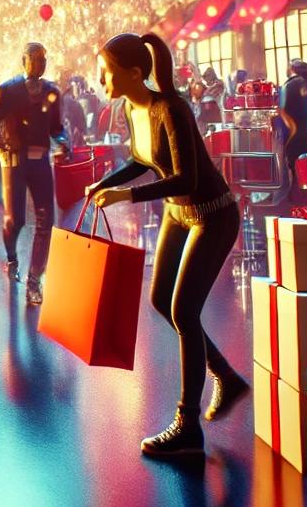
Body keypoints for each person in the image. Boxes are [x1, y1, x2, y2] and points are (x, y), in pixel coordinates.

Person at [89, 33, 245, 459]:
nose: (100, 78)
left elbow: (187, 179)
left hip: (212, 213)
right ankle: (226, 378)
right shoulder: (129, 107)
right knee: (161, 299)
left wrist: (127, 197)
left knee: (183, 311)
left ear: (135, 73)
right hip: (179, 215)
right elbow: (141, 159)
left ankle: (187, 425)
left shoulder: (171, 107)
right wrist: (107, 183)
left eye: (107, 71)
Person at [0, 42, 69, 306]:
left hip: (41, 161)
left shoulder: (52, 91)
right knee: (15, 220)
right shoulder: (7, 89)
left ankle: (34, 280)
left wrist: (65, 142)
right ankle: (12, 258)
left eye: (44, 59)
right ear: (24, 61)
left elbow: (56, 127)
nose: (40, 64)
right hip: (14, 162)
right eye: (35, 59)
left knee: (46, 221)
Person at [276, 60, 307, 203]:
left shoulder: (289, 85)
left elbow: (283, 110)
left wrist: (290, 129)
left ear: (291, 69)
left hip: (294, 131)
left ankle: (296, 199)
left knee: (293, 167)